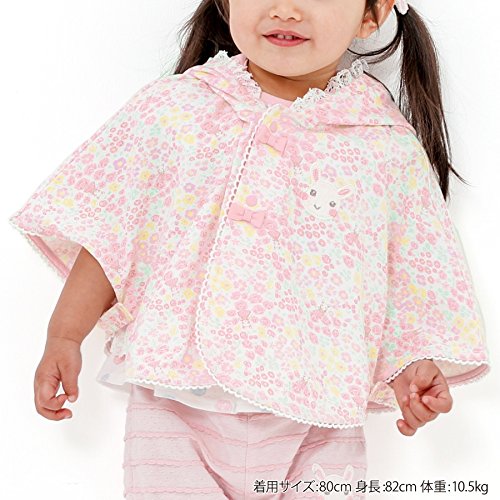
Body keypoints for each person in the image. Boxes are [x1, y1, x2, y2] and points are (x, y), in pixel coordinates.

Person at [8, 0, 491, 498]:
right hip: (175, 407)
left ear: (372, 14)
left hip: (319, 419)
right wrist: (64, 335)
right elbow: (113, 232)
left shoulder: (383, 144)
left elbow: (409, 271)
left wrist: (410, 367)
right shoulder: (175, 110)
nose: (285, 10)